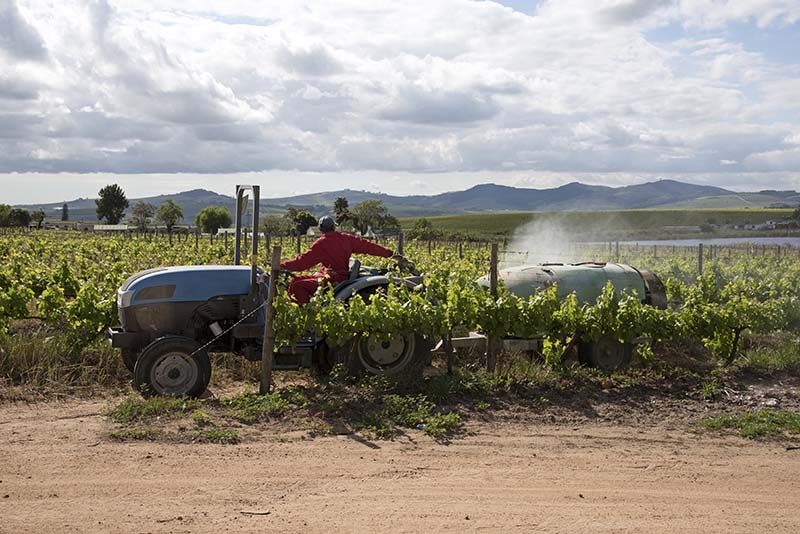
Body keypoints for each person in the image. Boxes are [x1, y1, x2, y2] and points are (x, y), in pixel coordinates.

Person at [279, 215, 403, 304]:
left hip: (332, 279)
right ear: (334, 227)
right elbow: (369, 247)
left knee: (299, 286)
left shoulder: (321, 243)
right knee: (294, 281)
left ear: (321, 229)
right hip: (333, 276)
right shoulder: (346, 239)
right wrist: (391, 254)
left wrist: (282, 266)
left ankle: (306, 318)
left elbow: (302, 263)